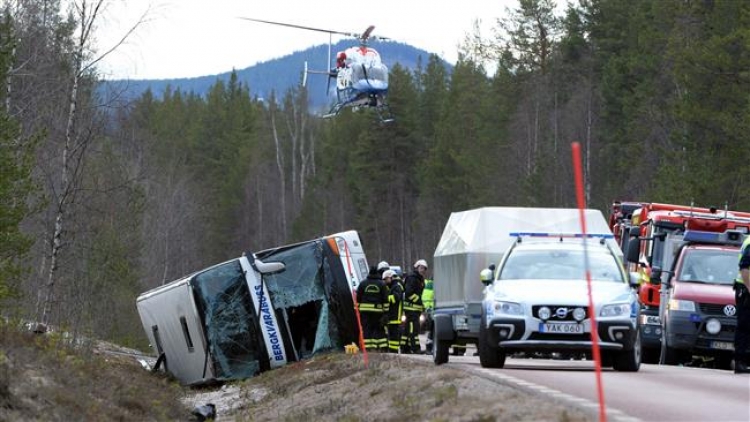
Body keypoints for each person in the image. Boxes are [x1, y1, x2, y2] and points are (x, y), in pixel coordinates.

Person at [356, 265, 389, 352]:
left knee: (367, 329)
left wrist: (358, 309)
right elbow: (385, 299)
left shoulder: (363, 283)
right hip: (377, 312)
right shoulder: (382, 284)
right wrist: (386, 312)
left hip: (365, 312)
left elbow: (358, 297)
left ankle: (367, 348)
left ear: (369, 272)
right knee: (378, 329)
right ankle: (382, 347)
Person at [401, 259, 427, 354]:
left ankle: (405, 347)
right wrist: (419, 300)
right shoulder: (412, 278)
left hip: (415, 309)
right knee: (413, 329)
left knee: (408, 328)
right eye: (421, 268)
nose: (423, 270)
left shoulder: (419, 278)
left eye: (424, 268)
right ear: (416, 267)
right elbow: (409, 293)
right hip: (411, 308)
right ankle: (415, 348)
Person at [734, 236, 750, 373]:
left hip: (744, 289)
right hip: (746, 291)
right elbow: (744, 268)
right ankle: (740, 362)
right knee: (745, 325)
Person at [382, 269, 403, 353]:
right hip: (391, 314)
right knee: (391, 333)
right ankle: (392, 349)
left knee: (394, 333)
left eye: (385, 279)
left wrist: (386, 298)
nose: (384, 281)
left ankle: (394, 350)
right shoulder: (391, 286)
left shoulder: (397, 286)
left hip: (395, 314)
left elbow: (396, 297)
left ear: (390, 277)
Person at [422, 275, 435, 353]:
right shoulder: (430, 284)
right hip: (432, 310)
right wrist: (429, 308)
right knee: (432, 330)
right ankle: (429, 348)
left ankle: (429, 347)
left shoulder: (430, 284)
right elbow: (426, 297)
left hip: (434, 310)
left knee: (432, 330)